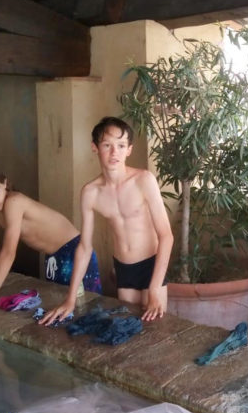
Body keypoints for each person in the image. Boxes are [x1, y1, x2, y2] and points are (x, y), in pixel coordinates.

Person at [39, 117, 173, 325]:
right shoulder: (90, 192)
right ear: (95, 147)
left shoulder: (144, 180)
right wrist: (70, 299)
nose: (114, 153)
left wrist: (154, 289)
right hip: (124, 268)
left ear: (129, 150)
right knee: (129, 328)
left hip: (151, 265)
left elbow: (166, 236)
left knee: (155, 327)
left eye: (121, 146)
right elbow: (85, 247)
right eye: (107, 145)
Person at [0, 161, 102, 309]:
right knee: (59, 308)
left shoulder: (14, 202)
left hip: (75, 252)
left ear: (4, 183)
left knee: (86, 308)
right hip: (53, 258)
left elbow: (8, 252)